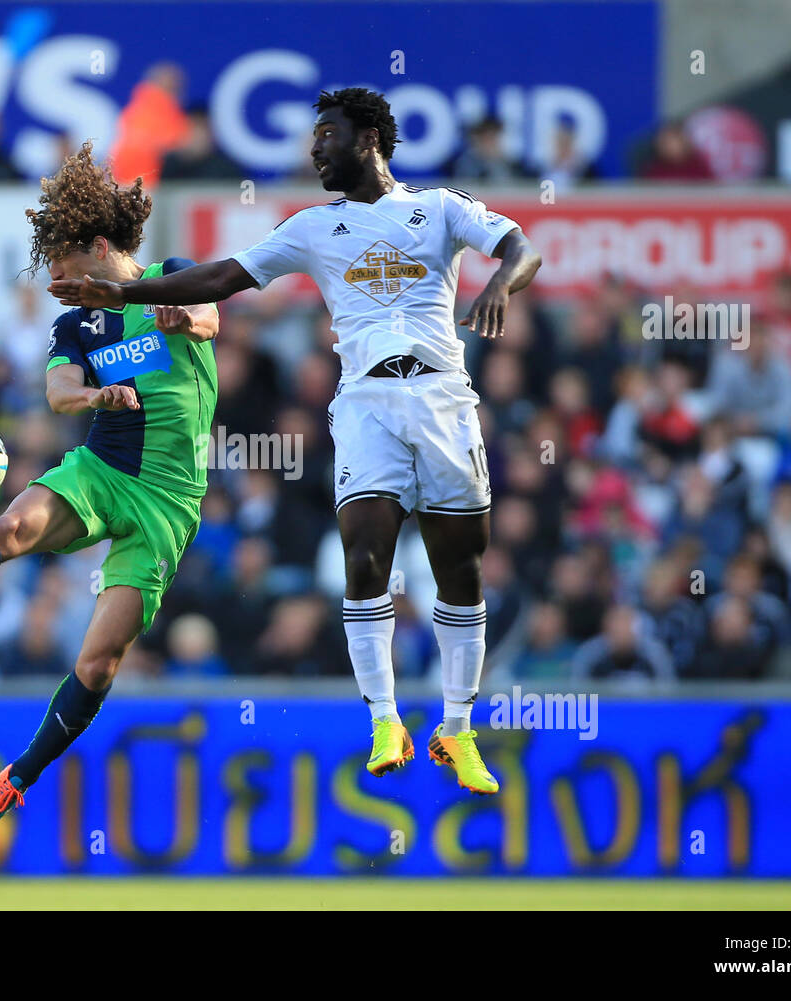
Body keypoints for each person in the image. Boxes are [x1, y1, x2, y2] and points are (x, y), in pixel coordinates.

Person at [51, 88, 542, 795]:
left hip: (443, 397)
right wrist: (120, 295)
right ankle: (384, 719)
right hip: (367, 399)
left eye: (326, 137)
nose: (314, 151)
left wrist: (499, 283)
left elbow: (521, 247)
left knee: (460, 567)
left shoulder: (440, 208)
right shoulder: (313, 227)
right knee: (364, 555)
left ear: (368, 137)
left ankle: (458, 727)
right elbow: (223, 277)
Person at [0, 144, 219, 832]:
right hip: (102, 469)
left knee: (100, 657)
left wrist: (186, 314)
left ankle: (15, 777)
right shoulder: (76, 323)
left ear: (101, 246)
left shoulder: (171, 277)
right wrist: (90, 396)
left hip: (169, 501)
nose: (54, 278)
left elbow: (211, 318)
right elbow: (57, 389)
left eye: (62, 263)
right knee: (11, 527)